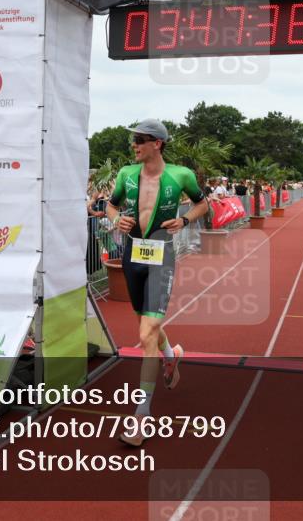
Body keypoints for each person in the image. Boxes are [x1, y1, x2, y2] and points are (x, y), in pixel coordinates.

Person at [105, 119, 209, 447]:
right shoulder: (125, 174)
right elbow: (110, 205)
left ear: (157, 143)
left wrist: (184, 219)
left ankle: (142, 414)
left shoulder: (181, 175)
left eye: (139, 140)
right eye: (133, 140)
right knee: (144, 322)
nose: (134, 145)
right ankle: (170, 354)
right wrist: (114, 219)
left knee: (145, 333)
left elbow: (202, 203)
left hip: (161, 256)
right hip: (132, 256)